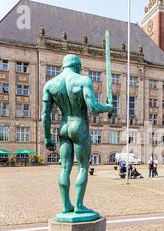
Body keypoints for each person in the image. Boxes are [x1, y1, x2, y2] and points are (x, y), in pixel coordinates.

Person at [42, 54, 112, 214]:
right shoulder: (83, 80)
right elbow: (93, 107)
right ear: (78, 66)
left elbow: (45, 115)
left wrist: (47, 137)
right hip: (79, 125)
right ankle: (79, 205)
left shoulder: (50, 84)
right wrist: (108, 107)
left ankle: (66, 205)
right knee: (82, 167)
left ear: (64, 66)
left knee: (64, 167)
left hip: (64, 126)